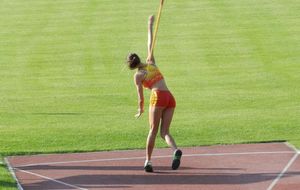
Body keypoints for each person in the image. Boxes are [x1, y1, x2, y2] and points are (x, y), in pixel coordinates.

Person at [126, 15, 182, 172]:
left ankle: (148, 161)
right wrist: (149, 25)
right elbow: (150, 43)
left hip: (158, 96)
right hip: (170, 97)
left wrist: (140, 109)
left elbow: (140, 95)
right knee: (165, 132)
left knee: (153, 130)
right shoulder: (151, 62)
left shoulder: (138, 75)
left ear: (131, 66)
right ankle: (175, 150)